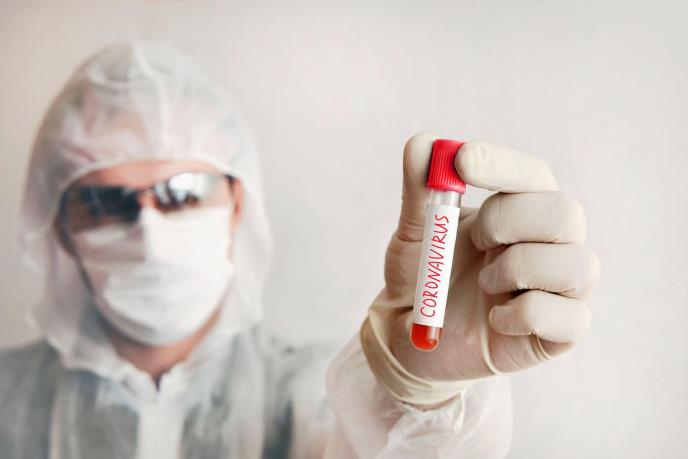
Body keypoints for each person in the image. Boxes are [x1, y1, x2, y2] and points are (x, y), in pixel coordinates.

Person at [0, 41, 600, 459]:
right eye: (104, 202)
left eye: (182, 193)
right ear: (58, 227)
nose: (149, 233)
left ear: (237, 201)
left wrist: (420, 399)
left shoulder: (318, 395)